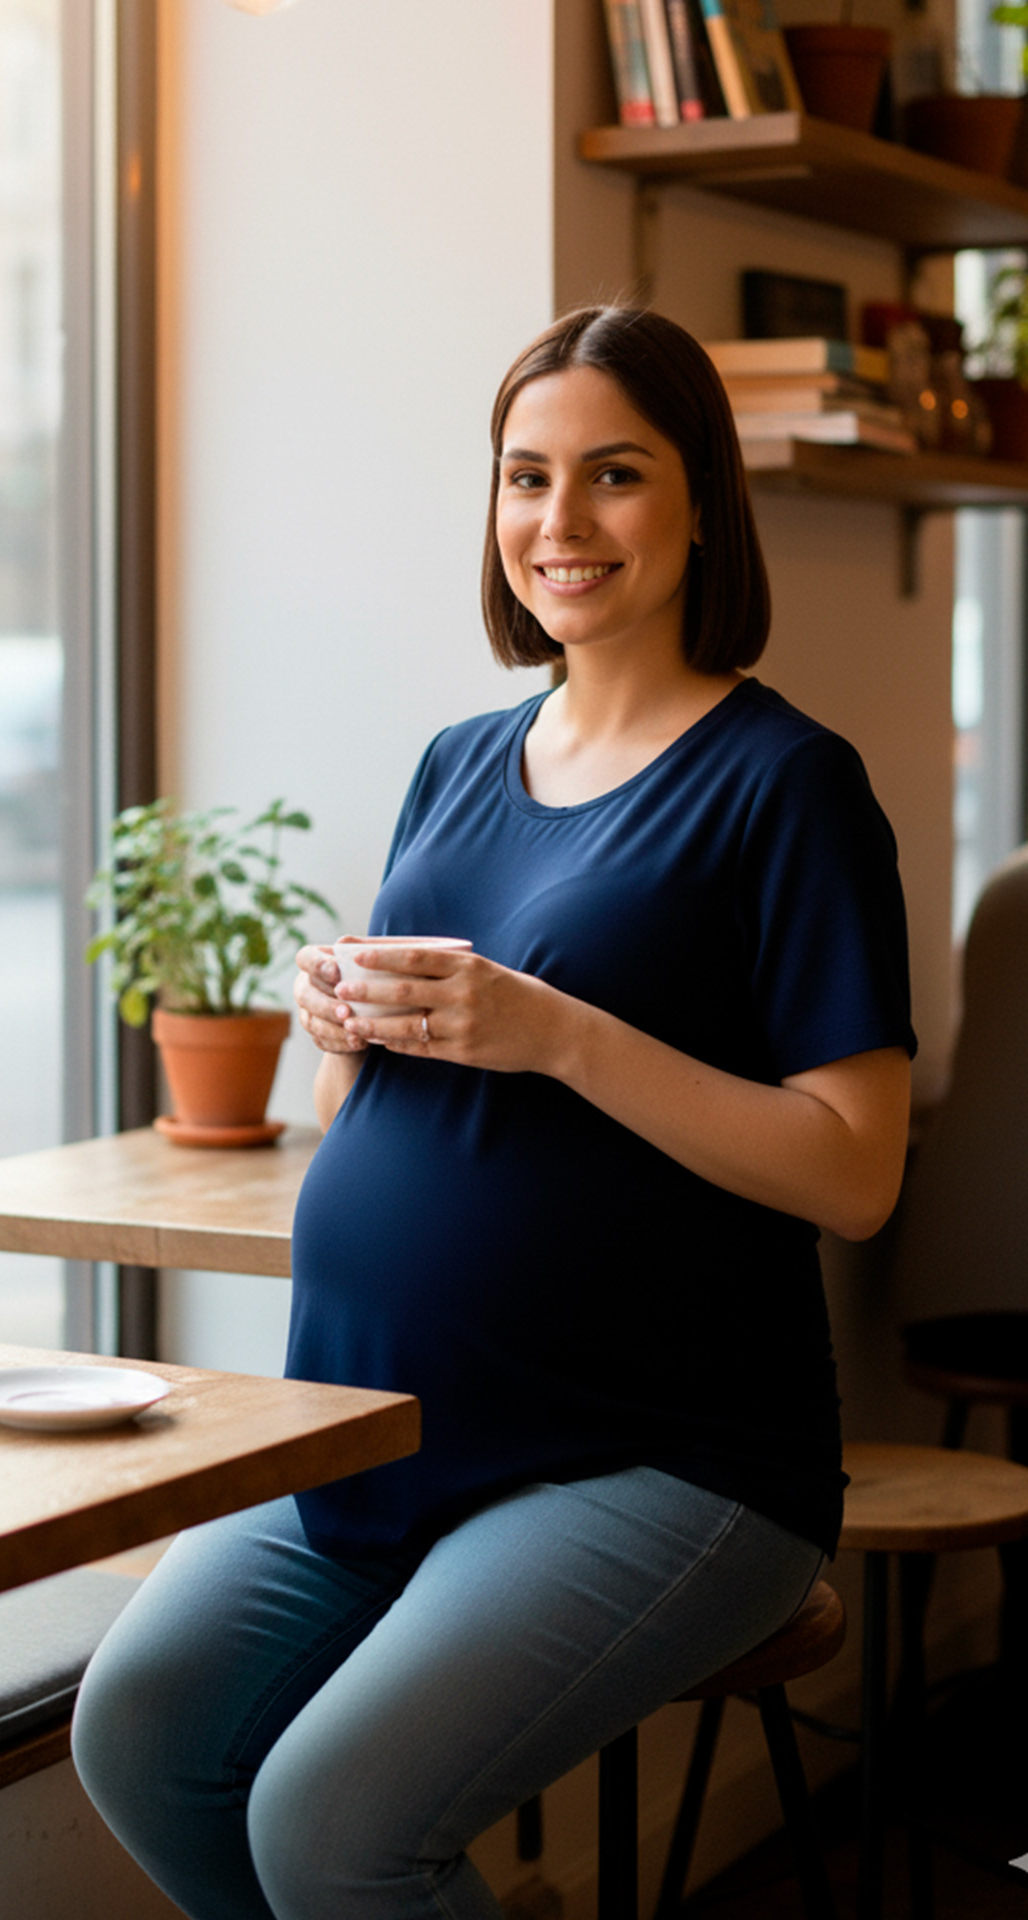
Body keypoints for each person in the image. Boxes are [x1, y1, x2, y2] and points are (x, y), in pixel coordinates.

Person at [72, 306, 915, 1920]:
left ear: (698, 501)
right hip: (381, 1420)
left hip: (661, 1458)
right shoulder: (458, 761)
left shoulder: (785, 784)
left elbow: (858, 1170)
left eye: (614, 474)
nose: (559, 522)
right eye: (526, 477)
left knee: (330, 1826)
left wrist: (558, 1035)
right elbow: (367, 1104)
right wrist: (347, 1026)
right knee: (144, 1734)